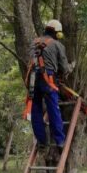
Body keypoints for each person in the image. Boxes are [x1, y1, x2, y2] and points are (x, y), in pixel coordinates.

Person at [28, 19, 71, 149]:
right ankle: (60, 141)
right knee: (53, 109)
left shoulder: (34, 42)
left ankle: (41, 142)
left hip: (32, 80)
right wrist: (69, 68)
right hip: (48, 80)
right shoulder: (57, 45)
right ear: (57, 33)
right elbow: (64, 68)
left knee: (36, 110)